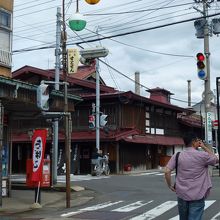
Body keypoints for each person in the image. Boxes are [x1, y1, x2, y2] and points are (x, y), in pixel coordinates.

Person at [164, 133, 219, 220]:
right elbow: (215, 159)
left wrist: (170, 185)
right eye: (198, 141)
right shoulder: (202, 155)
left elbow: (167, 171)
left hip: (182, 194)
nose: (199, 142)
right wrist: (204, 147)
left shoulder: (177, 155)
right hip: (198, 195)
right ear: (193, 142)